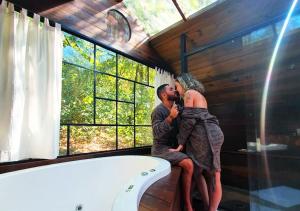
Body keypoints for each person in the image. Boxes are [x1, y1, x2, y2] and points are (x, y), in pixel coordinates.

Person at [171, 73, 224, 211]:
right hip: (214, 132)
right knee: (200, 172)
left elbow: (188, 122)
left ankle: (212, 209)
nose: (176, 90)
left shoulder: (189, 93)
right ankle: (209, 207)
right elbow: (196, 114)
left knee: (214, 175)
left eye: (176, 86)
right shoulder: (199, 95)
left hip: (206, 136)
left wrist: (180, 145)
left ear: (183, 84)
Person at [151, 84, 194, 211]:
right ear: (164, 95)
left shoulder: (178, 109)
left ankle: (191, 196)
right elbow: (157, 133)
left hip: (175, 148)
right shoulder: (158, 111)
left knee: (198, 164)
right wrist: (170, 117)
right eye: (171, 89)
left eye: (174, 88)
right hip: (161, 149)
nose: (175, 90)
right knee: (189, 164)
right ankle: (187, 204)